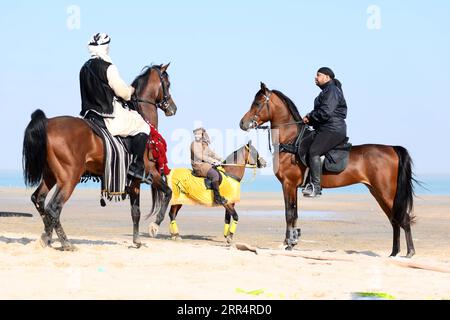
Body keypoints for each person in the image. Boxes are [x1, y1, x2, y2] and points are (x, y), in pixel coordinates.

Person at [79, 33, 151, 183]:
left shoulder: (83, 68)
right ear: (105, 48)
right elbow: (123, 93)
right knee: (143, 126)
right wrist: (131, 90)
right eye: (108, 46)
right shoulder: (108, 67)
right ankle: (136, 167)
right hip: (108, 117)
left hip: (88, 116)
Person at [302, 67, 348, 197]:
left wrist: (310, 116)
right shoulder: (327, 91)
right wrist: (310, 120)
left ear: (327, 77)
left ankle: (316, 187)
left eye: (318, 75)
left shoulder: (332, 90)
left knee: (314, 151)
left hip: (332, 129)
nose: (315, 78)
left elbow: (326, 112)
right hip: (326, 127)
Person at [190, 128, 227, 205]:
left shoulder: (204, 144)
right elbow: (199, 156)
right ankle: (217, 198)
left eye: (199, 134)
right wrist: (212, 161)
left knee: (219, 172)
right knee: (215, 175)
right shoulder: (194, 144)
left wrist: (221, 159)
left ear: (202, 135)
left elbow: (211, 153)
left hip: (205, 164)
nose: (197, 135)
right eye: (196, 134)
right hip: (198, 166)